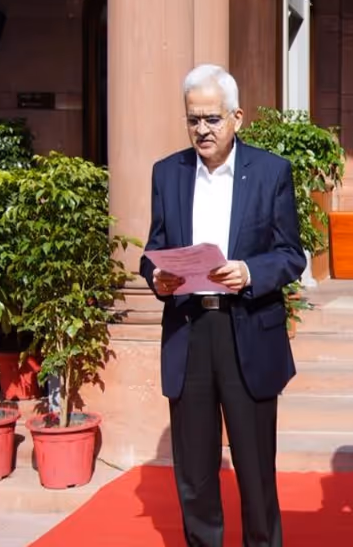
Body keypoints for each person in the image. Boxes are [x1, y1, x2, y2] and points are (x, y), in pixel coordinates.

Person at [139, 63, 306, 547]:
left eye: (211, 119)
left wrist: (251, 272)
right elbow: (154, 249)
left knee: (255, 472)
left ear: (237, 117)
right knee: (194, 474)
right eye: (193, 119)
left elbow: (291, 254)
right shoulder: (166, 173)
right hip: (189, 330)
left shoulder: (272, 172)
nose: (201, 130)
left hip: (246, 328)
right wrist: (158, 278)